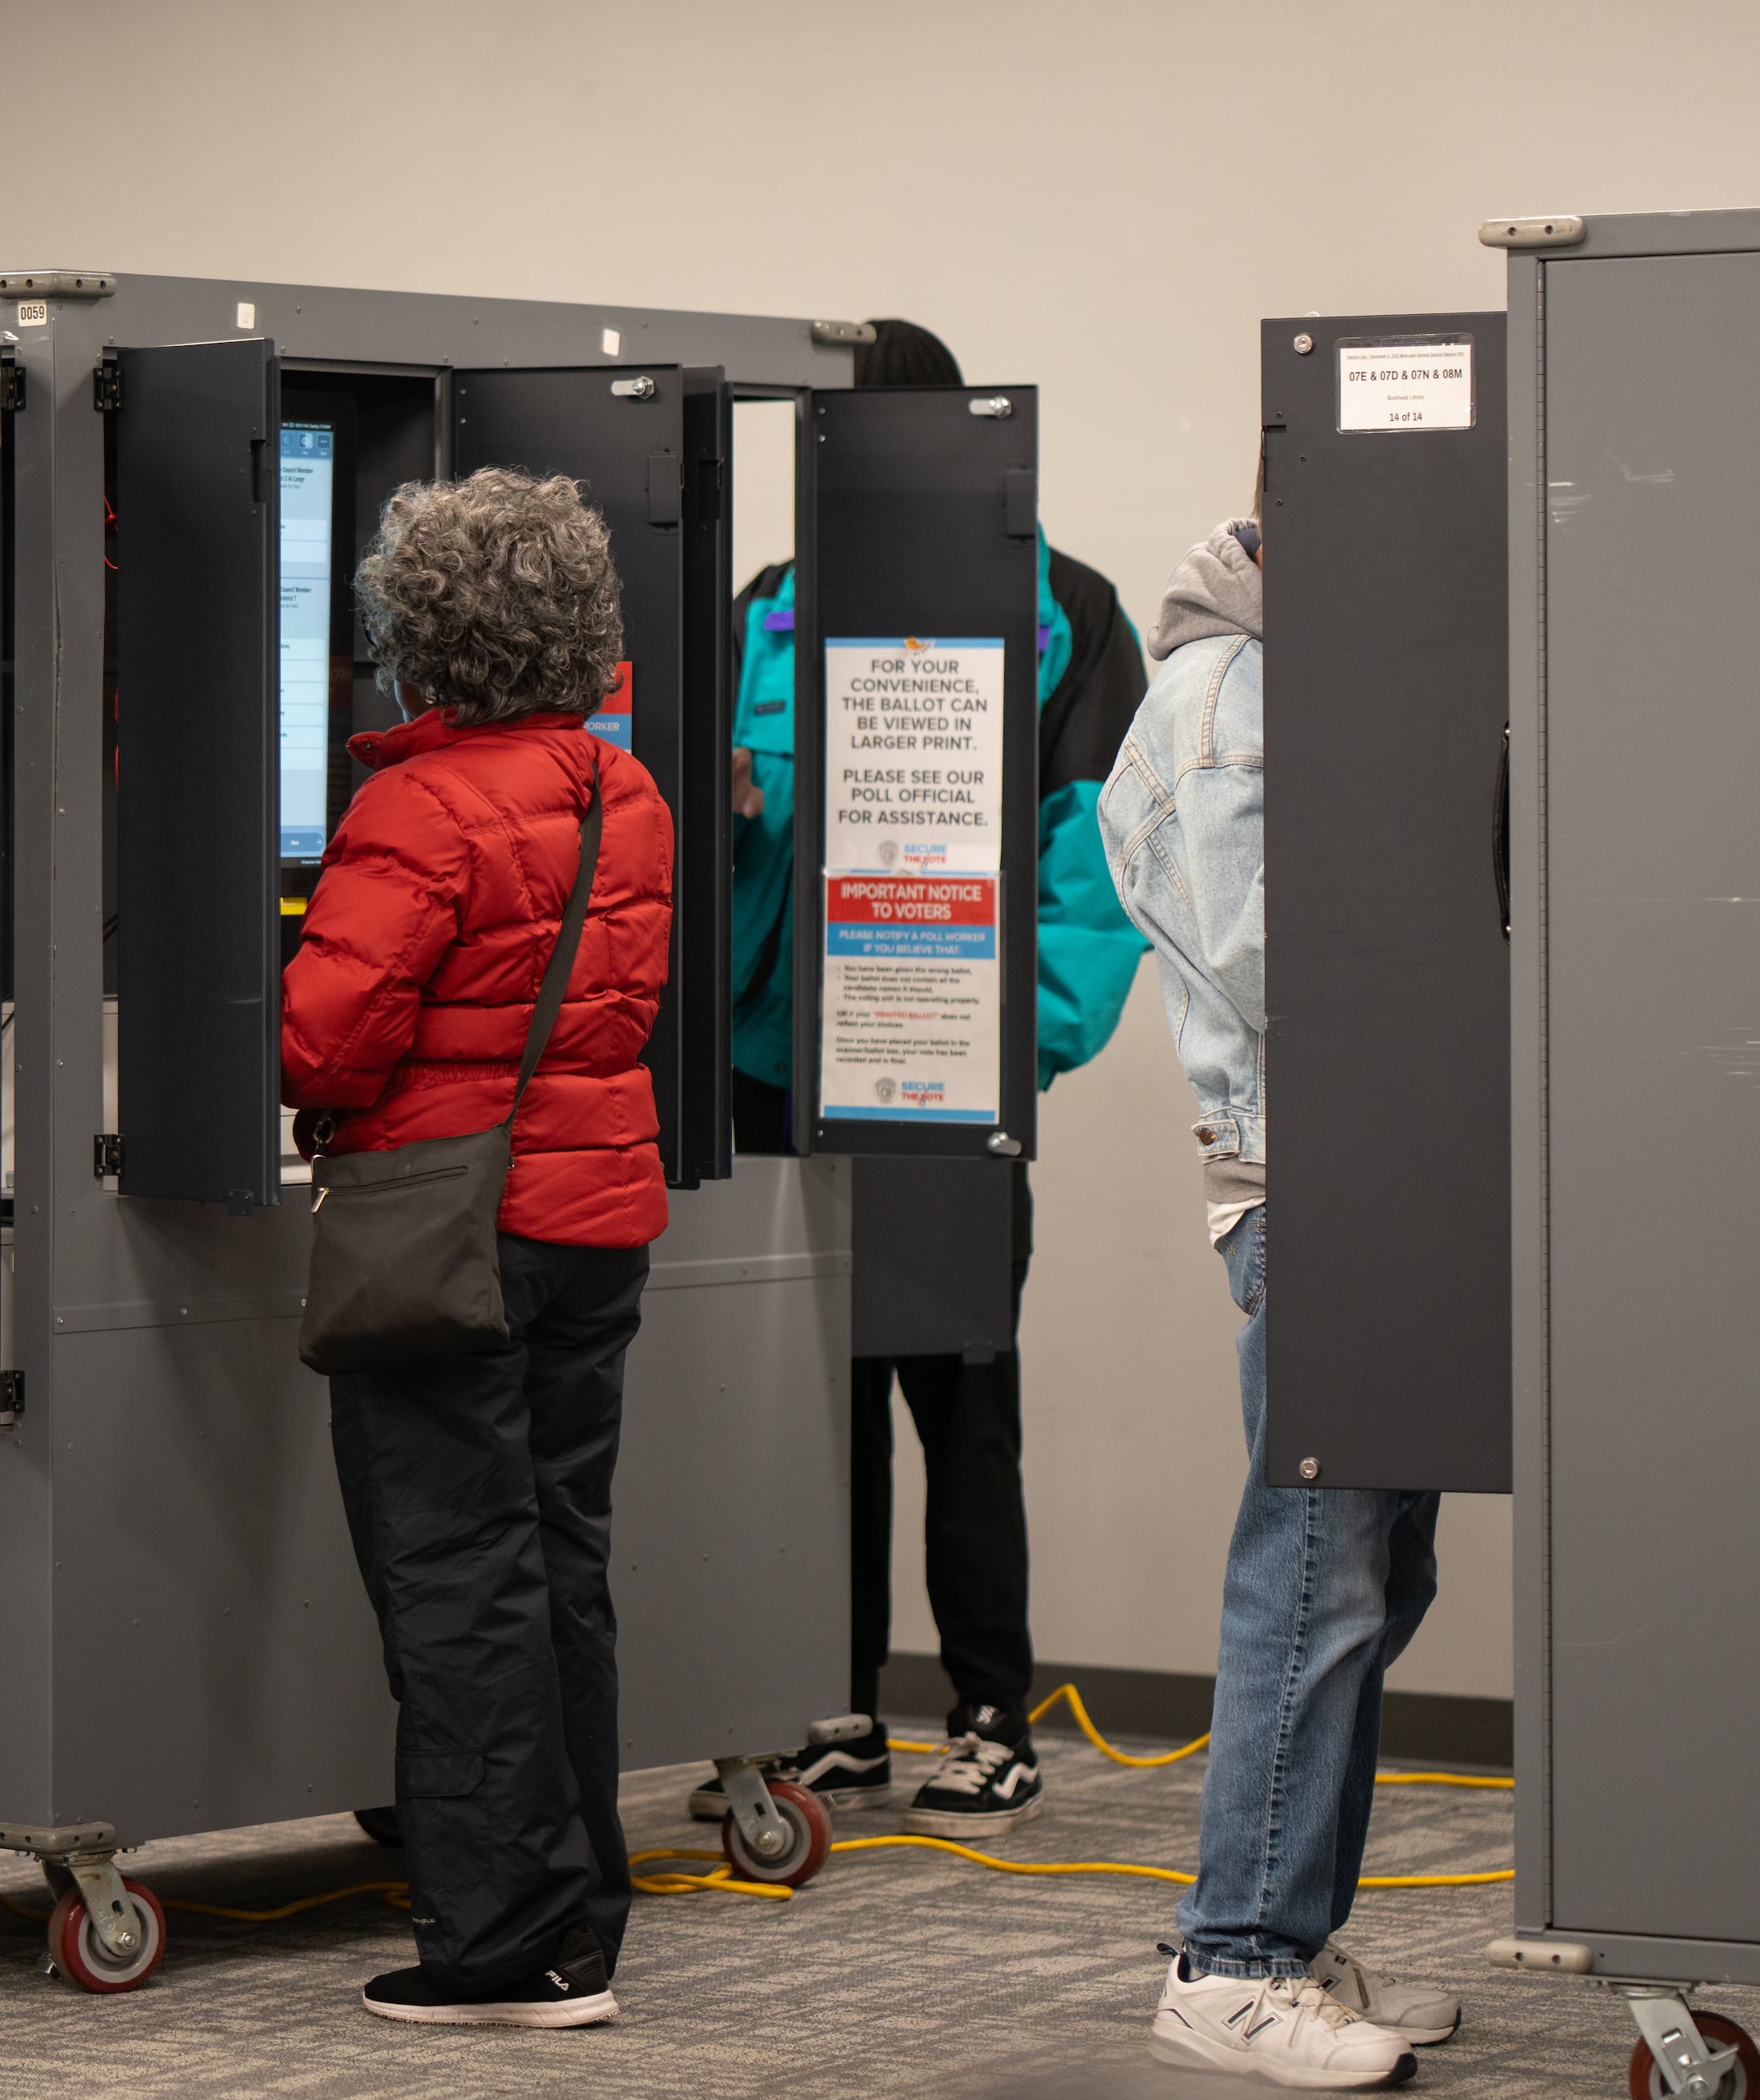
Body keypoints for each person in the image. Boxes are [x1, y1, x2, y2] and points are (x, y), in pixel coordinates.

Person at [701, 317, 1150, 1839]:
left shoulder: (1065, 612)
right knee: (808, 1402)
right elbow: (716, 839)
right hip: (774, 1074)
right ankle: (830, 1707)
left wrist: (1012, 1049)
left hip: (948, 1071)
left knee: (960, 1394)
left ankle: (986, 1714)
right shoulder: (766, 604)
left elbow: (1094, 868)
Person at [285, 468, 674, 2029]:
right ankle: (580, 1910)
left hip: (451, 1238)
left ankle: (500, 1944)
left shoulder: (418, 808)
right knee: (557, 1564)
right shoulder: (618, 791)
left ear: (418, 637)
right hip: (595, 1223)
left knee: (454, 1580)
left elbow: (326, 1044)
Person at [1099, 511, 1453, 2087]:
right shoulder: (1233, 691)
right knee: (1314, 1578)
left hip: (1378, 1181)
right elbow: (1282, 962)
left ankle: (1288, 1941)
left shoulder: (1288, 670)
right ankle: (1230, 1959)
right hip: (1322, 1184)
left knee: (1372, 1577)